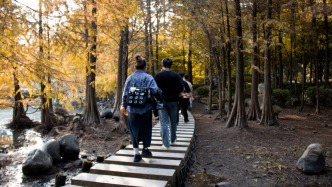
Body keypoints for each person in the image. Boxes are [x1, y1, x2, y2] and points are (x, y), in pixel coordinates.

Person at [120, 54, 160, 162]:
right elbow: (155, 91)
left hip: (132, 109)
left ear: (135, 66)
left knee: (134, 130)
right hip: (146, 108)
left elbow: (125, 94)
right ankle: (145, 149)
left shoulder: (130, 78)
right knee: (146, 128)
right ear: (145, 67)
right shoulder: (149, 78)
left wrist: (123, 105)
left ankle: (136, 154)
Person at [154, 58, 183, 148]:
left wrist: (156, 98)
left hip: (161, 102)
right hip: (174, 101)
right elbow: (181, 89)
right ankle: (173, 139)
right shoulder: (176, 75)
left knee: (163, 122)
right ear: (171, 65)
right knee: (173, 121)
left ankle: (166, 144)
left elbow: (154, 89)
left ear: (162, 64)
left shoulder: (158, 76)